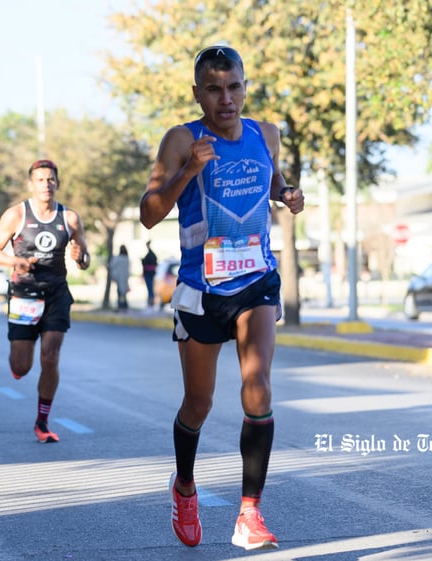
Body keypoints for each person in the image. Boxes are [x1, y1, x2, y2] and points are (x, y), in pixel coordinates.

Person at [139, 45, 305, 551]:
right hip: (201, 288)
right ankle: (185, 486)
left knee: (258, 386)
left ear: (245, 86)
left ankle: (249, 514)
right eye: (213, 89)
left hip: (256, 278)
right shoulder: (181, 139)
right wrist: (188, 170)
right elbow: (149, 212)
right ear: (198, 94)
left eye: (233, 87)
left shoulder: (264, 133)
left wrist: (287, 193)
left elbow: (271, 180)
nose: (225, 98)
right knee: (199, 401)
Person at [0, 159, 90, 444]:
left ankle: (42, 421)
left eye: (51, 179)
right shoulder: (16, 215)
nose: (46, 184)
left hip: (56, 293)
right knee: (22, 366)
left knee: (51, 355)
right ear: (31, 184)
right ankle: (17, 363)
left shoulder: (70, 218)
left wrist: (80, 255)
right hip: (24, 294)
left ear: (57, 183)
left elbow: (84, 261)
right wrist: (15, 261)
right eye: (40, 180)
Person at [109, 244, 130, 311]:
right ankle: (124, 305)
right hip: (124, 278)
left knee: (120, 292)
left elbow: (111, 265)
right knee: (123, 292)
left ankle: (121, 305)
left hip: (119, 277)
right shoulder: (126, 259)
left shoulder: (117, 259)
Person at [142, 241, 158, 310]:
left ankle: (151, 301)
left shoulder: (150, 255)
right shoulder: (152, 254)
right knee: (150, 288)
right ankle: (151, 301)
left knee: (150, 288)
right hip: (151, 273)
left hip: (148, 273)